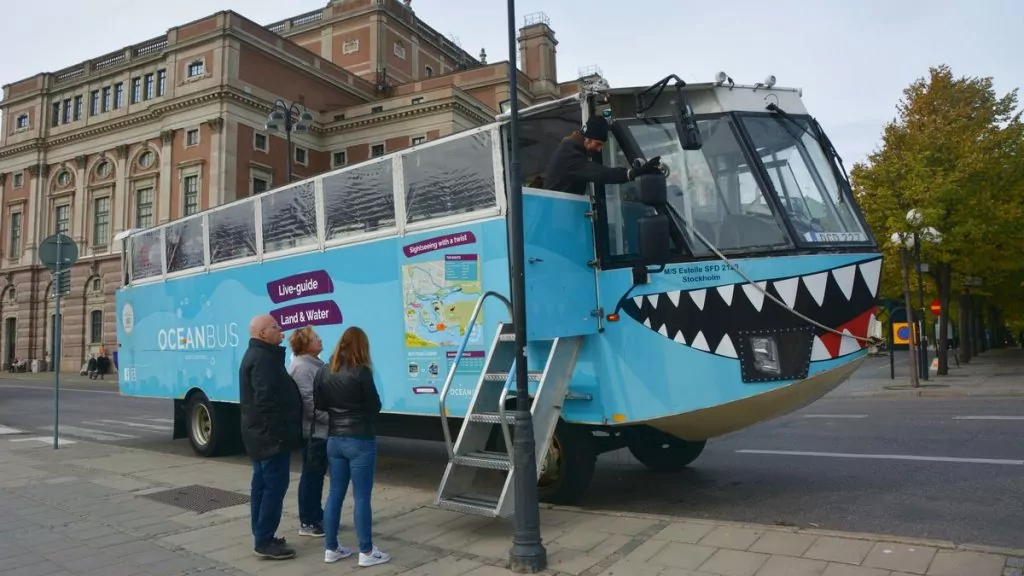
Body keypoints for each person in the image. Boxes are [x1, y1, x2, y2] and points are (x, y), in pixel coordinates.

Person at [315, 327, 390, 567]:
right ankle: (366, 552)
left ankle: (331, 548)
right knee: (361, 496)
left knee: (334, 493)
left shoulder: (324, 371)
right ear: (362, 346)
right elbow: (375, 405)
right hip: (360, 438)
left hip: (334, 438)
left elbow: (320, 404)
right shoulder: (361, 372)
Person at [239, 314, 304, 560]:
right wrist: (278, 435)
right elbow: (266, 402)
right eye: (276, 327)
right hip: (269, 439)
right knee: (273, 488)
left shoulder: (261, 355)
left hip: (261, 436)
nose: (282, 331)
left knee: (262, 485)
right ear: (261, 333)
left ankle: (261, 534)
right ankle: (264, 540)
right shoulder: (263, 359)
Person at [543, 115, 663, 196]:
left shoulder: (572, 149)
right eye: (598, 143)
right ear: (587, 138)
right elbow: (600, 173)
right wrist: (630, 174)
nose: (599, 149)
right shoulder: (570, 154)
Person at [287, 326, 328, 538]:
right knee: (311, 476)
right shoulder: (303, 368)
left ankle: (316, 515)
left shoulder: (312, 364)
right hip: (314, 431)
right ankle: (308, 521)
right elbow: (310, 404)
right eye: (315, 338)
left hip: (319, 430)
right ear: (305, 344)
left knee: (316, 475)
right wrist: (333, 419)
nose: (319, 340)